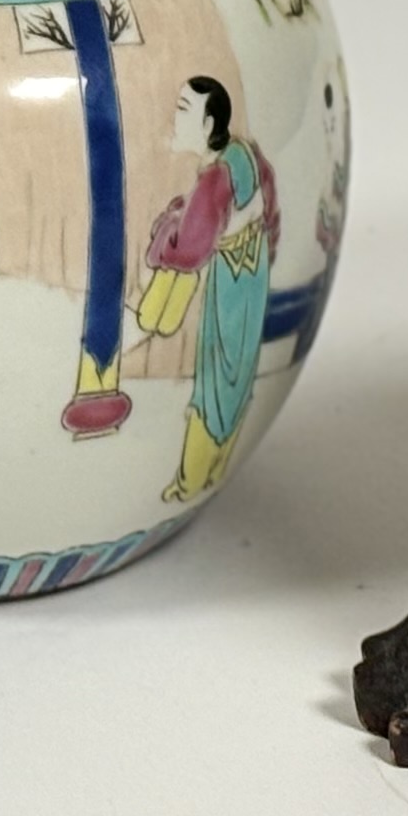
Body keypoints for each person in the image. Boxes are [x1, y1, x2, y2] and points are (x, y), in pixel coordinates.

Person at [135, 75, 277, 504]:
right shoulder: (245, 154)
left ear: (208, 121)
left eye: (183, 110)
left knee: (215, 380)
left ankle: (191, 481)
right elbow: (267, 206)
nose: (174, 119)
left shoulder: (216, 179)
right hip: (253, 272)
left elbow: (188, 250)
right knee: (235, 374)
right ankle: (213, 467)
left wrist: (164, 233)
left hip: (231, 278)